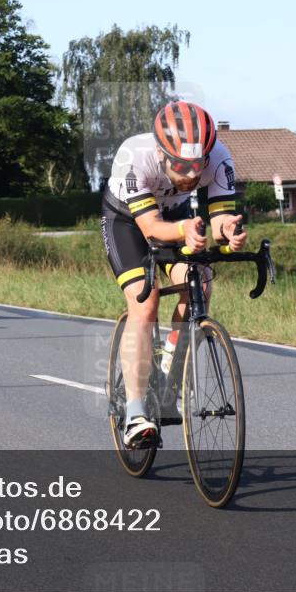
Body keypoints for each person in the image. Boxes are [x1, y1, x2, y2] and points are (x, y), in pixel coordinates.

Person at [101, 101, 247, 448]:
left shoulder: (220, 158)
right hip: (127, 220)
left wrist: (230, 232)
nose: (191, 174)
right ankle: (135, 412)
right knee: (145, 300)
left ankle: (168, 373)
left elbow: (220, 218)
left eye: (198, 165)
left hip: (175, 216)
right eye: (181, 165)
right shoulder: (133, 157)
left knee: (201, 282)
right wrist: (184, 229)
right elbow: (150, 227)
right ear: (162, 152)